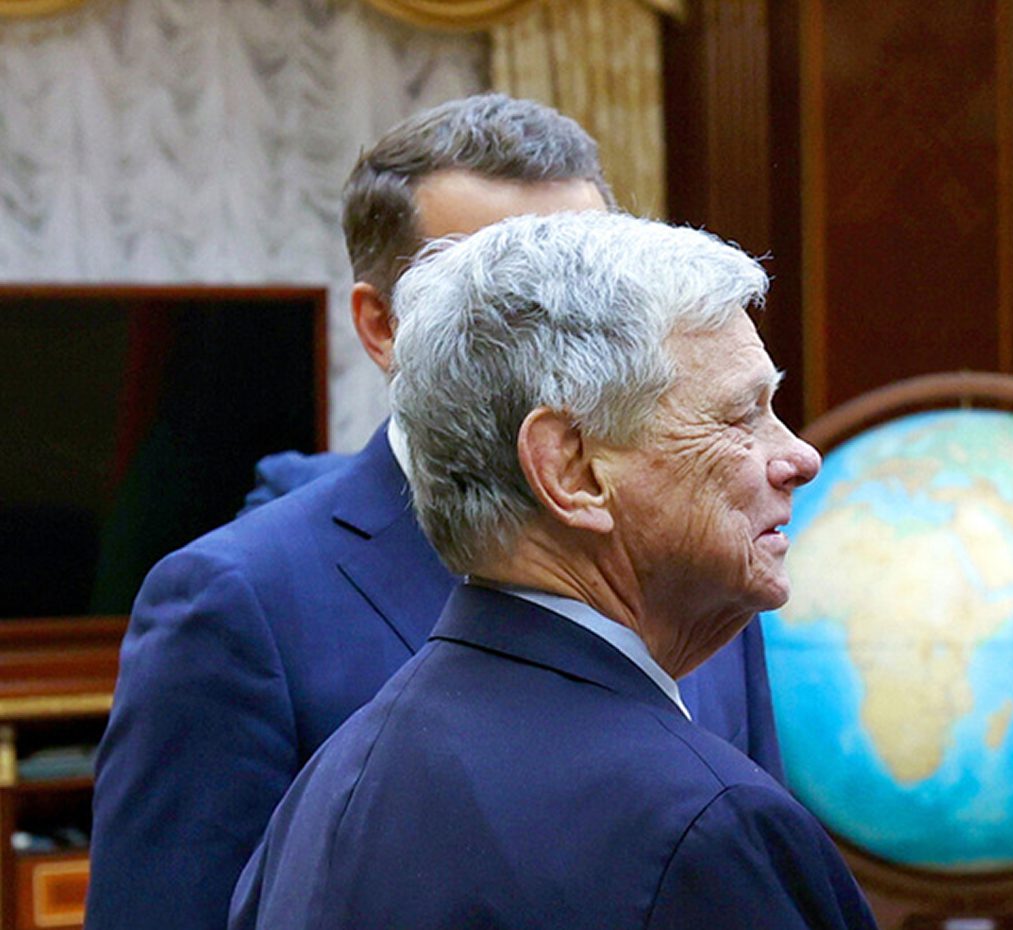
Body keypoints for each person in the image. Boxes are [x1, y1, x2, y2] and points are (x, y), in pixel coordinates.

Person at [89, 95, 786, 930]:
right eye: (501, 294)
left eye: (595, 277)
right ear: (381, 325)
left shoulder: (701, 563)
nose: (569, 325)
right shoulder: (239, 601)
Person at [229, 210, 873, 929]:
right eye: (741, 416)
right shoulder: (704, 828)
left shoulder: (330, 789)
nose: (800, 457)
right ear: (572, 469)